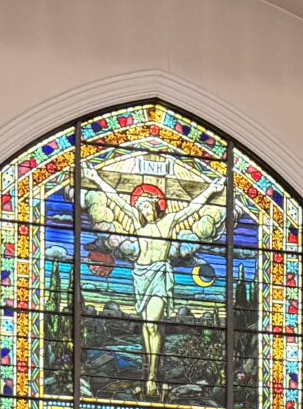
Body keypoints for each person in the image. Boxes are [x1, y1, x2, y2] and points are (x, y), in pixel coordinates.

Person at [81, 165, 228, 394]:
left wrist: (210, 190)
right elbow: (116, 200)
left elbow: (191, 209)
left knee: (152, 324)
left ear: (155, 206)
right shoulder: (138, 225)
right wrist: (94, 178)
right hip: (140, 275)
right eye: (140, 205)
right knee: (146, 327)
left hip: (159, 273)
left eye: (147, 205)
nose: (143, 208)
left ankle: (151, 375)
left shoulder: (167, 222)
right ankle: (151, 368)